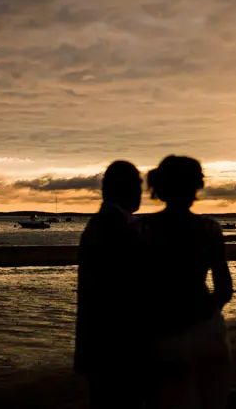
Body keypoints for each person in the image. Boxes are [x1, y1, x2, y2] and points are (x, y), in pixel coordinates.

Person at [139, 155, 234, 409]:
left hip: (163, 330)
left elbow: (134, 287)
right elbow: (224, 288)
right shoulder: (209, 228)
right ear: (196, 187)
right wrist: (208, 313)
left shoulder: (144, 228)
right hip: (205, 329)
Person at [74, 160, 145, 409]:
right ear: (122, 188)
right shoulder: (111, 226)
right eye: (138, 186)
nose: (142, 193)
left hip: (105, 347)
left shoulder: (109, 224)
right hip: (115, 349)